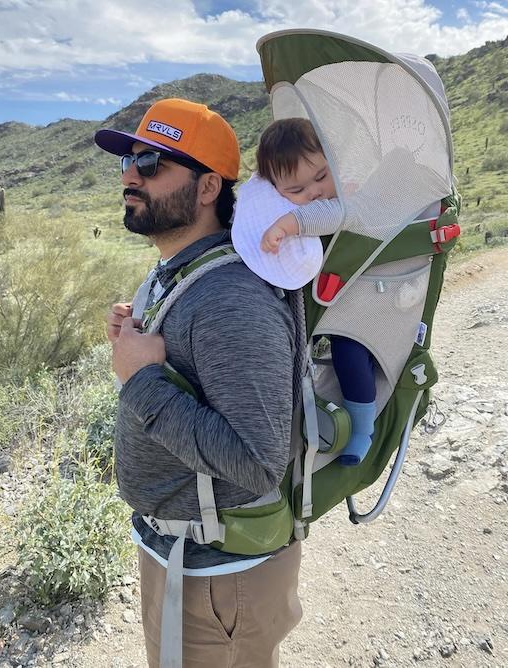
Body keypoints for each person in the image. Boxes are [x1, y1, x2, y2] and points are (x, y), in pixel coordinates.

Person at [94, 98, 301, 668]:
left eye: (152, 162)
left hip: (217, 577)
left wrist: (141, 380)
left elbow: (260, 462)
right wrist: (139, 336)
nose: (131, 175)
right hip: (183, 552)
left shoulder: (232, 300)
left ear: (209, 187)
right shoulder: (179, 271)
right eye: (128, 162)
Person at [249, 117, 376, 465]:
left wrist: (289, 224)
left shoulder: (346, 195)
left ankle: (364, 429)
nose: (314, 192)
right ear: (276, 193)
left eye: (321, 176)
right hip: (325, 306)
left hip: (364, 304)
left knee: (349, 353)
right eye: (296, 191)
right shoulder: (278, 207)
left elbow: (330, 214)